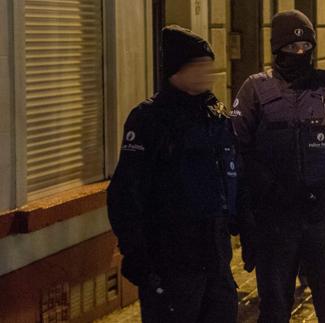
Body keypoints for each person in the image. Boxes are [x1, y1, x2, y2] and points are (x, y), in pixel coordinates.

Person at [232, 10, 325, 323]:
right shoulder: (255, 90)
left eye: (305, 48)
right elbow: (238, 149)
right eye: (292, 49)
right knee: (274, 310)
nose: (299, 54)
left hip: (324, 218)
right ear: (277, 49)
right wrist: (261, 197)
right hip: (276, 221)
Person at [107, 25, 238, 323]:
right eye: (199, 66)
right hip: (170, 260)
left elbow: (232, 173)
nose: (208, 73)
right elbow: (125, 191)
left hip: (215, 260)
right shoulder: (149, 119)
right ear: (176, 71)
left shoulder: (216, 115)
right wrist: (134, 250)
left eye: (209, 65)